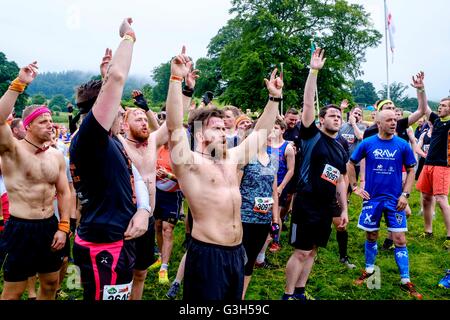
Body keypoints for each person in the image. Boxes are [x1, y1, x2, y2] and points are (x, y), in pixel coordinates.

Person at [166, 46, 283, 301]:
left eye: (223, 127)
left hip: (235, 253)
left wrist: (274, 99)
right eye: (215, 128)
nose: (222, 132)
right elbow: (174, 126)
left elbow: (260, 134)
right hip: (207, 254)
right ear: (199, 134)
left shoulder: (231, 159)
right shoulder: (190, 163)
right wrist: (176, 80)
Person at [69, 18, 151, 300]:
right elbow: (118, 79)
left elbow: (134, 177)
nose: (122, 111)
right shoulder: (91, 137)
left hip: (116, 239)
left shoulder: (108, 140)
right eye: (117, 107)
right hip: (103, 244)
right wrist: (128, 37)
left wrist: (144, 210)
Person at [0, 62, 72, 300]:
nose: (50, 124)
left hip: (49, 225)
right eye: (43, 121)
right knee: (14, 291)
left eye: (51, 120)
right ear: (28, 125)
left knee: (51, 283)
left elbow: (64, 192)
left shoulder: (56, 155)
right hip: (21, 226)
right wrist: (19, 84)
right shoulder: (12, 150)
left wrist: (63, 226)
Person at [283, 48, 348, 300]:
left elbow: (341, 180)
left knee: (312, 252)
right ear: (320, 120)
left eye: (339, 116)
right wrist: (313, 72)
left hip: (325, 207)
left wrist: (342, 209)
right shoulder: (312, 136)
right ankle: (287, 295)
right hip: (306, 203)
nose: (336, 118)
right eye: (331, 115)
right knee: (300, 251)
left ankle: (300, 292)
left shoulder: (341, 148)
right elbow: (308, 103)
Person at [349, 109, 422, 299]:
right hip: (372, 199)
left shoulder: (402, 144)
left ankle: (405, 280)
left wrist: (405, 194)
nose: (393, 123)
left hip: (394, 200)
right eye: (389, 120)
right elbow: (351, 163)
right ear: (378, 123)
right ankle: (369, 270)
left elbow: (412, 170)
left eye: (395, 120)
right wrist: (355, 186)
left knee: (399, 239)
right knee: (371, 235)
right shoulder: (367, 143)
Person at [238, 122, 279, 299]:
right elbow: (234, 188)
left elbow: (274, 192)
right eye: (266, 133)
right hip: (243, 218)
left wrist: (275, 220)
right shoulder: (245, 158)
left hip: (263, 219)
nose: (270, 135)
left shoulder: (273, 159)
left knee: (250, 262)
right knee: (237, 261)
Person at [415, 73, 450, 249]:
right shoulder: (436, 120)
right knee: (426, 198)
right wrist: (421, 88)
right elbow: (424, 107)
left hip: (443, 166)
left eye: (444, 106)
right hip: (428, 164)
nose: (440, 107)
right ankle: (428, 231)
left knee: (442, 200)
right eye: (441, 105)